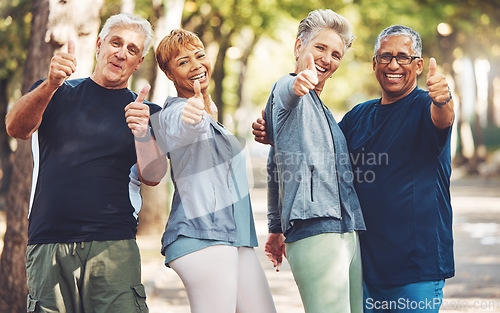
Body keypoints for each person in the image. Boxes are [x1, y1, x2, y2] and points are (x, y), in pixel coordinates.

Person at [253, 25, 455, 313]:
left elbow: (443, 119)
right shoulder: (358, 116)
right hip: (364, 267)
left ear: (418, 65)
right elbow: (317, 151)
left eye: (403, 57)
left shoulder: (425, 106)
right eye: (385, 57)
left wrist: (443, 100)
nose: (393, 64)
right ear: (375, 64)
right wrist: (277, 134)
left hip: (415, 270)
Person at [5, 13, 167, 313]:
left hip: (113, 245)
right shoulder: (54, 93)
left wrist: (143, 133)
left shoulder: (145, 111)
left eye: (132, 50)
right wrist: (51, 83)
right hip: (49, 241)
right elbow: (16, 128)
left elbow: (154, 176)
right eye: (116, 43)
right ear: (98, 44)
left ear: (139, 61)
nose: (121, 53)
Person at [152, 28, 276, 313]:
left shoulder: (211, 118)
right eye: (183, 62)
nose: (196, 65)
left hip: (233, 240)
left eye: (199, 56)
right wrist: (192, 116)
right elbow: (179, 126)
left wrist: (205, 111)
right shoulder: (173, 112)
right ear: (169, 74)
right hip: (203, 238)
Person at [262, 9, 365, 313]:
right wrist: (298, 84)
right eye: (320, 47)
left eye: (336, 54)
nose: (327, 58)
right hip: (316, 231)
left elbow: (275, 166)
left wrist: (275, 227)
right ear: (298, 47)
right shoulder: (287, 88)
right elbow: (287, 91)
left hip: (348, 231)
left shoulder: (324, 111)